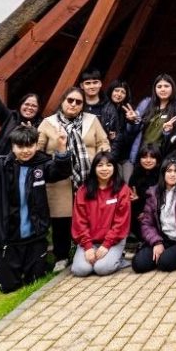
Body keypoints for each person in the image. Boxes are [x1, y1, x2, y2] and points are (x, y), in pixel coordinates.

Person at [0, 124, 72, 292]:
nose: (25, 150)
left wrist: (62, 149)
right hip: (8, 239)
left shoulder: (41, 165)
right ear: (12, 146)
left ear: (35, 145)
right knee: (9, 288)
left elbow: (60, 171)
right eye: (20, 146)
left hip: (35, 237)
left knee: (34, 281)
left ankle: (16, 265)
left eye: (30, 146)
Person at [37, 86, 110, 272]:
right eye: (70, 100)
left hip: (89, 178)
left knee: (90, 216)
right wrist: (53, 164)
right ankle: (61, 256)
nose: (74, 104)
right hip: (60, 181)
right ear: (62, 101)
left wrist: (102, 158)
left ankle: (88, 250)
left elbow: (103, 141)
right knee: (61, 220)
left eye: (79, 102)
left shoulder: (91, 120)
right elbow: (38, 151)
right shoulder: (48, 123)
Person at [71, 151, 132, 277]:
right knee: (80, 270)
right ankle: (101, 258)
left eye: (109, 165)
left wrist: (106, 245)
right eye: (100, 165)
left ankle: (118, 259)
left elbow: (121, 222)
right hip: (89, 240)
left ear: (114, 168)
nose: (105, 169)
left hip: (113, 240)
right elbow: (79, 221)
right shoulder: (83, 190)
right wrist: (88, 247)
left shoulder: (122, 189)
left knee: (101, 269)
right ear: (94, 168)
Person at [133, 157, 176, 274]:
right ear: (163, 173)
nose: (172, 174)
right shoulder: (154, 193)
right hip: (163, 239)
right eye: (169, 171)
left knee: (165, 263)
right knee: (138, 264)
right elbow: (146, 223)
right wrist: (157, 242)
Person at [0, 57, 42, 160]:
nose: (29, 108)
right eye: (27, 104)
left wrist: (32, 133)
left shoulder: (41, 125)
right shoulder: (10, 117)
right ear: (20, 105)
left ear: (38, 109)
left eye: (34, 106)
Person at [128, 74, 176, 164]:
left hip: (163, 154)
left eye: (166, 86)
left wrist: (167, 131)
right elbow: (132, 131)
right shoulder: (146, 103)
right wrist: (133, 120)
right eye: (159, 86)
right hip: (143, 152)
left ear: (172, 88)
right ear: (155, 89)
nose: (163, 89)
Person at [128, 145, 162, 242]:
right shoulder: (135, 174)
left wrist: (146, 213)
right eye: (144, 157)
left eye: (152, 157)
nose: (148, 160)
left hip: (155, 214)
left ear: (158, 159)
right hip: (137, 213)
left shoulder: (161, 176)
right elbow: (132, 196)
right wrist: (138, 208)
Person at [104, 79, 136, 180]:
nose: (119, 94)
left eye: (123, 92)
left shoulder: (125, 109)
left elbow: (131, 133)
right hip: (112, 156)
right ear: (111, 91)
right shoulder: (107, 109)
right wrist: (110, 160)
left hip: (125, 156)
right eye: (116, 90)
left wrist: (132, 121)